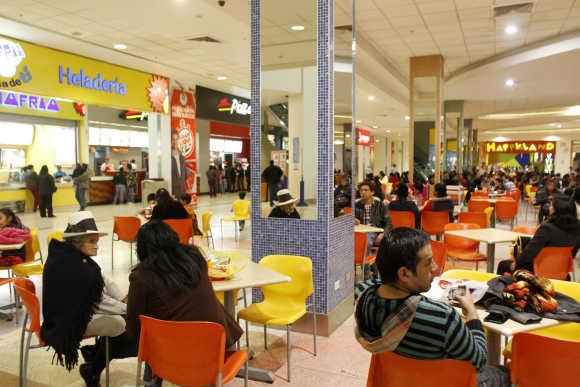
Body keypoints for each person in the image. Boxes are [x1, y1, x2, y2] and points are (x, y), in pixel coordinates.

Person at [355, 228, 509, 387]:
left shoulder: (361, 296)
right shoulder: (443, 318)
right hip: (442, 382)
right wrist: (471, 312)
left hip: (396, 380)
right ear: (404, 274)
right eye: (428, 262)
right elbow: (478, 360)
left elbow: (377, 284)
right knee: (503, 373)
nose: (435, 267)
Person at [126, 221, 243, 385]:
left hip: (172, 356)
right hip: (215, 347)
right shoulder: (195, 258)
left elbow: (133, 325)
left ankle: (151, 380)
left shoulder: (142, 276)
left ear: (142, 249)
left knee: (150, 334)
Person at [41, 211, 134, 386]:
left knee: (120, 319)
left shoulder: (69, 256)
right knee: (121, 324)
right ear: (77, 240)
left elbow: (103, 280)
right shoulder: (74, 267)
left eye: (97, 241)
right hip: (64, 324)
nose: (97, 246)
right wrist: (130, 308)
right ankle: (93, 367)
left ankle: (94, 354)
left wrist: (124, 298)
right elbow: (97, 302)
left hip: (67, 315)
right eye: (92, 241)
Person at [497, 194, 580, 274]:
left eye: (551, 205)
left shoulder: (547, 229)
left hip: (539, 269)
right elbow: (572, 253)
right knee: (526, 241)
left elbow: (530, 253)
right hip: (562, 270)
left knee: (503, 265)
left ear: (556, 210)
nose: (549, 208)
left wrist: (516, 263)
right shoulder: (577, 228)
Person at [355, 181, 391, 253]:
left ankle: (366, 263)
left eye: (366, 190)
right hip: (360, 231)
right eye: (361, 190)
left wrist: (383, 234)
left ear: (372, 192)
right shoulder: (356, 205)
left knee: (366, 242)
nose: (363, 192)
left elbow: (388, 223)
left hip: (374, 232)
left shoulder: (380, 205)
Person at [171, 132, 187, 198]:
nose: (175, 141)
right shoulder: (168, 154)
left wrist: (184, 180)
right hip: (172, 187)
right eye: (173, 139)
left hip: (182, 186)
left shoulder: (182, 155)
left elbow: (184, 170)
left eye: (177, 139)